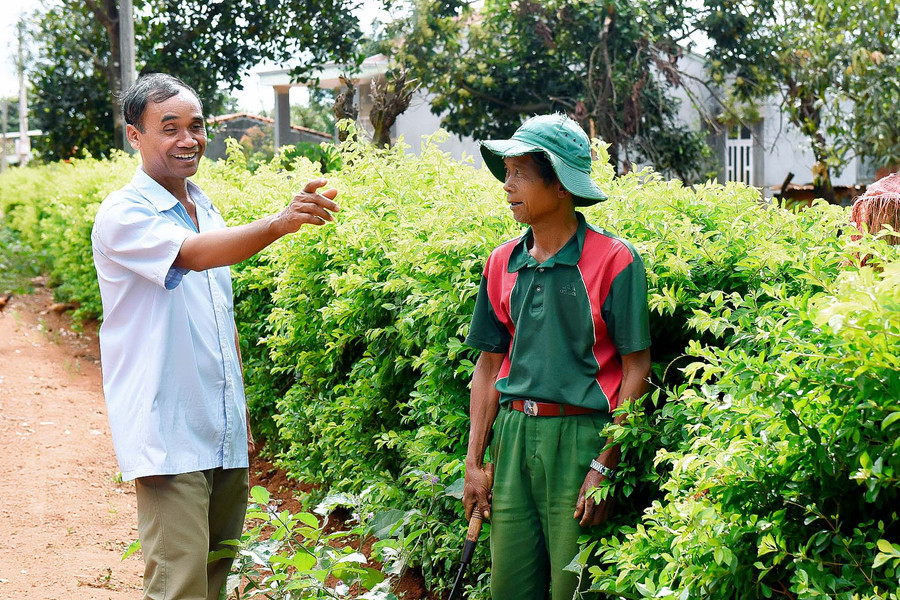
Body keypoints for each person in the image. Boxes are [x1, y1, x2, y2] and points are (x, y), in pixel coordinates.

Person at [90, 73, 339, 600]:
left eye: (196, 126)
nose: (188, 139)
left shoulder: (207, 210)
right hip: (168, 431)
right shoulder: (124, 213)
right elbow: (190, 255)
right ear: (135, 136)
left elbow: (218, 320)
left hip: (220, 429)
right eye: (170, 128)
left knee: (213, 580)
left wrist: (240, 412)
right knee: (180, 586)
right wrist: (278, 224)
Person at [462, 113, 652, 600]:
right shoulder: (501, 262)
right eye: (507, 173)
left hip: (580, 441)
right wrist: (474, 462)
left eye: (520, 173)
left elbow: (637, 370)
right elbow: (486, 369)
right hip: (513, 437)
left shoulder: (616, 260)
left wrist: (604, 463)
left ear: (562, 185)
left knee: (573, 588)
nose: (507, 186)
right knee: (510, 586)